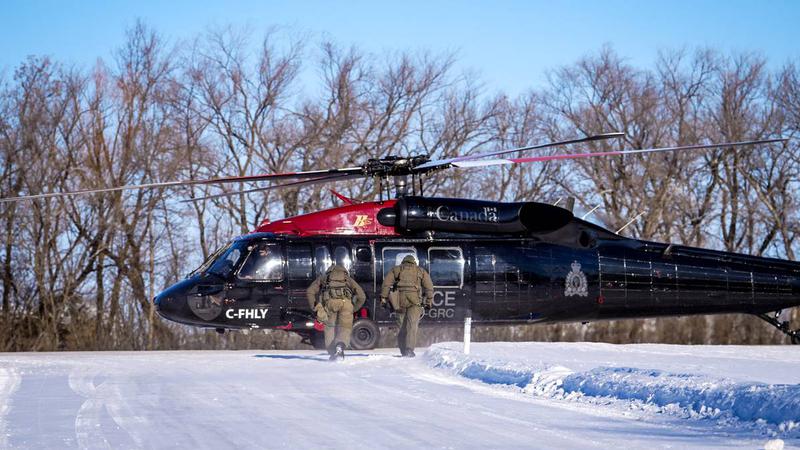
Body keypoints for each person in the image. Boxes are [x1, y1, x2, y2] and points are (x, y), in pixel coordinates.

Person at [306, 264, 366, 360]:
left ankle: (332, 353)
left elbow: (310, 291)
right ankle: (340, 346)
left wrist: (315, 307)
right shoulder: (348, 279)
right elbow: (362, 296)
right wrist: (353, 309)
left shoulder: (324, 278)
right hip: (346, 304)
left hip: (329, 304)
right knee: (345, 328)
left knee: (330, 328)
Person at [380, 255, 434, 357]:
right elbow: (429, 287)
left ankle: (403, 350)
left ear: (403, 262)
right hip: (415, 301)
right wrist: (429, 301)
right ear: (414, 262)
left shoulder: (396, 269)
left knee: (401, 327)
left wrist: (383, 298)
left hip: (399, 301)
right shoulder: (420, 271)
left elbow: (386, 284)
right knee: (412, 325)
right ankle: (409, 349)